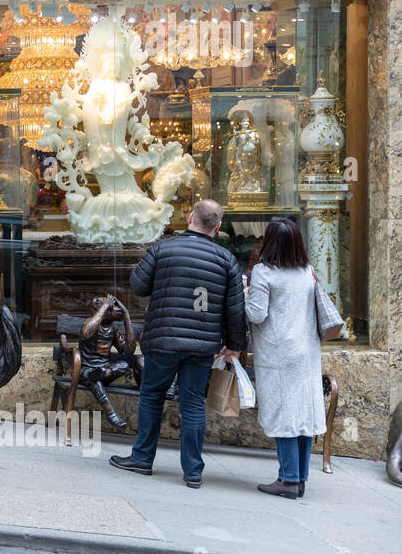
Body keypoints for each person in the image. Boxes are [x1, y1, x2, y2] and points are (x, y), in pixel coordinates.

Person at [109, 198, 247, 488]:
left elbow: (138, 286)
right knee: (193, 404)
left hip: (163, 339)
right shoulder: (226, 261)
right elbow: (235, 310)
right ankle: (193, 471)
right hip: (202, 346)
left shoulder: (162, 248)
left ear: (189, 218)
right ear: (218, 227)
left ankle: (143, 459)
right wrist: (235, 344)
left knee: (151, 396)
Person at [244, 217, 326, 499]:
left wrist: (243, 295)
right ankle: (300, 478)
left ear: (269, 242)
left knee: (284, 415)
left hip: (278, 353)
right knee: (302, 415)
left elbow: (256, 314)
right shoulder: (306, 270)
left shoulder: (264, 272)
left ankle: (288, 480)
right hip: (306, 353)